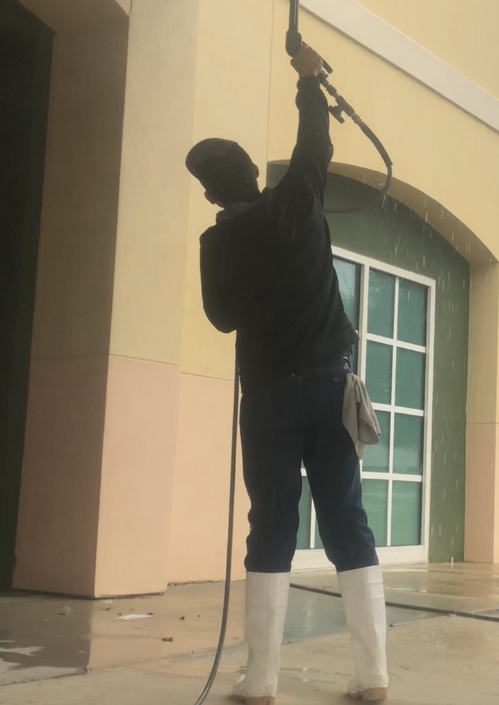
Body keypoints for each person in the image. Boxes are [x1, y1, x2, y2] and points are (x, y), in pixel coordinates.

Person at [186, 44, 388, 705]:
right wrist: (307, 82)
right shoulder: (298, 201)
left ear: (214, 192)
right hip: (332, 387)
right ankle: (372, 676)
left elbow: (220, 318)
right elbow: (314, 145)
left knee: (272, 523)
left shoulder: (218, 244)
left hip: (269, 396)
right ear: (254, 172)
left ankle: (261, 682)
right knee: (346, 520)